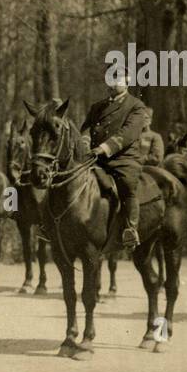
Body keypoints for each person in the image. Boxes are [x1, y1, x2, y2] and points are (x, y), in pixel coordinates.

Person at [79, 70, 149, 250]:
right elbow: (86, 128)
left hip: (123, 158)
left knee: (127, 185)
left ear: (127, 81)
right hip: (95, 158)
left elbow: (128, 134)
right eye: (110, 78)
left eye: (117, 79)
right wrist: (85, 143)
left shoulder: (136, 106)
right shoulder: (97, 107)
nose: (112, 83)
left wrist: (104, 148)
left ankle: (130, 229)